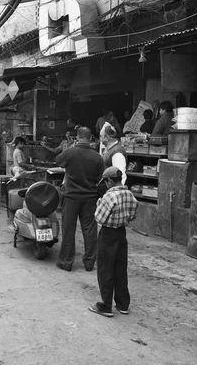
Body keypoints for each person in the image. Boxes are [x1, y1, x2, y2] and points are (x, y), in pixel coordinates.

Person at [88, 166, 138, 318]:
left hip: (108, 235)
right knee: (120, 269)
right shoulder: (129, 194)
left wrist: (99, 205)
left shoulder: (109, 197)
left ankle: (106, 306)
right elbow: (132, 216)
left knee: (105, 270)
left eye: (106, 181)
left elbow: (99, 218)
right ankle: (123, 304)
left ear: (110, 180)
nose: (105, 185)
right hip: (121, 234)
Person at [55, 127, 104, 272]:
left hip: (71, 197)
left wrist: (71, 147)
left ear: (77, 137)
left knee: (69, 229)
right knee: (89, 230)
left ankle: (66, 262)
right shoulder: (97, 157)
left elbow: (58, 161)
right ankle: (89, 263)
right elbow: (102, 177)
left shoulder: (70, 152)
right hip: (89, 197)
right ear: (90, 139)